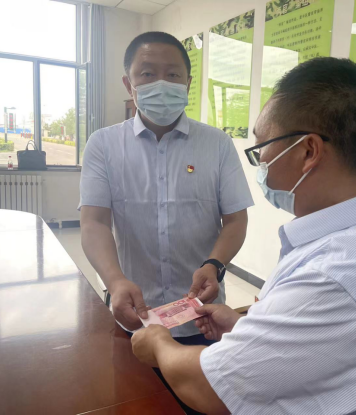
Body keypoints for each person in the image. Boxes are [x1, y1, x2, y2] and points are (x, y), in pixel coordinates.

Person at [131, 57, 356, 415]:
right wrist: (247, 329)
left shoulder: (337, 269)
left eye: (262, 147)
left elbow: (209, 389)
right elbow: (328, 341)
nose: (260, 162)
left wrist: (159, 343)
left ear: (308, 151)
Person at [79, 32, 254, 344]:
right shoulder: (103, 145)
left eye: (173, 75)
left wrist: (214, 265)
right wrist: (115, 282)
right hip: (135, 315)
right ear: (128, 84)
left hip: (204, 318)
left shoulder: (217, 144)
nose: (161, 83)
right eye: (147, 74)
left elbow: (236, 220)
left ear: (187, 83)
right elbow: (94, 222)